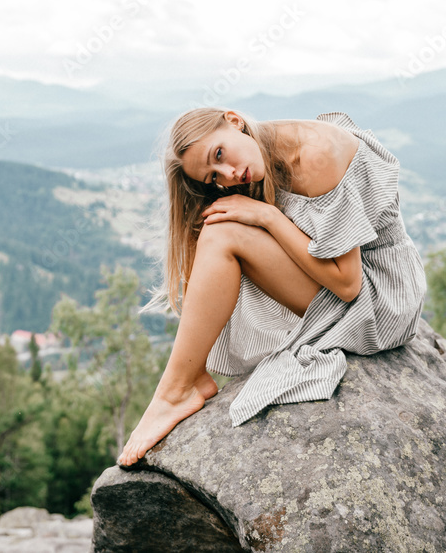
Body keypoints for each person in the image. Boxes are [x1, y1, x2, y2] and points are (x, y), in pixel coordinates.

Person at [116, 107, 427, 467]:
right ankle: (182, 384)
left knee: (222, 236)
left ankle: (176, 391)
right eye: (214, 178)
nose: (229, 176)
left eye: (218, 155)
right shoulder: (268, 146)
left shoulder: (314, 155)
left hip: (383, 299)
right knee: (218, 230)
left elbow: (347, 283)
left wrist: (266, 216)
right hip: (355, 285)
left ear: (233, 120)